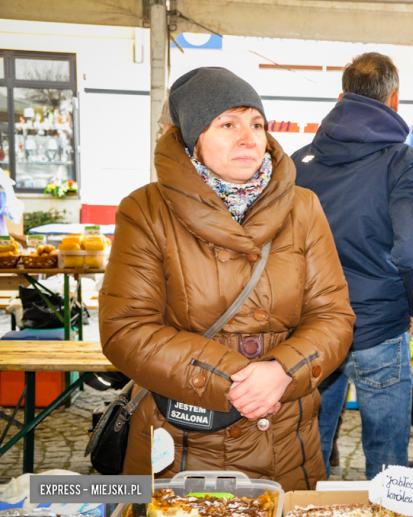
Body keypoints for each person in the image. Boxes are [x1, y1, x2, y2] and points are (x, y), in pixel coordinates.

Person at [99, 67, 355, 490]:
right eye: (228, 123)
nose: (248, 137)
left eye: (257, 124)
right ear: (192, 139)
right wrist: (237, 382)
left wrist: (282, 371)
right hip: (185, 439)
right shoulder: (145, 210)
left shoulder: (304, 207)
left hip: (285, 438)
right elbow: (125, 329)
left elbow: (333, 315)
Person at [292, 52, 413, 477]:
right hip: (379, 325)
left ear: (341, 97)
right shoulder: (404, 163)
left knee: (309, 444)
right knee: (387, 456)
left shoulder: (298, 161)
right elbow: (412, 250)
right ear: (395, 101)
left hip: (312, 327)